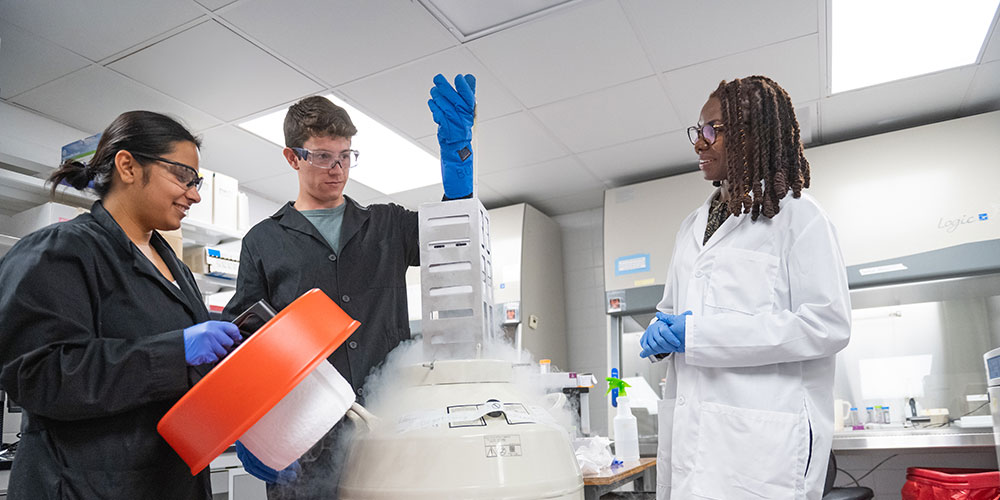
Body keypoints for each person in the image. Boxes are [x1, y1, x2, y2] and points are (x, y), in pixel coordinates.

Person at [224, 73, 476, 498]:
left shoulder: (388, 225)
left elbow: (452, 239)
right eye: (323, 156)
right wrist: (250, 425)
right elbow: (243, 340)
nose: (338, 169)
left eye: (346, 155)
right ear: (292, 157)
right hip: (304, 439)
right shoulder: (263, 241)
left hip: (390, 427)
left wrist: (458, 160)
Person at [0, 111, 243, 499]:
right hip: (86, 487)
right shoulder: (60, 250)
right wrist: (174, 352)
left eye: (196, 182)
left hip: (168, 481)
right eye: (183, 176)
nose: (194, 194)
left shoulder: (177, 270)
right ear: (128, 166)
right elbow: (40, 375)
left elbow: (178, 386)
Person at [639, 76, 851, 500]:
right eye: (697, 131)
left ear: (753, 135)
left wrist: (698, 335)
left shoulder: (799, 216)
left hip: (762, 447)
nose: (700, 142)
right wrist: (661, 333)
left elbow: (827, 325)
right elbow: (672, 309)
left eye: (713, 129)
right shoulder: (691, 227)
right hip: (692, 443)